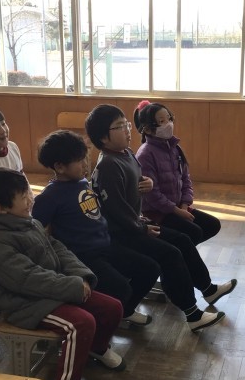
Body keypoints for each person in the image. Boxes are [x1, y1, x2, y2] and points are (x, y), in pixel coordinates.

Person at [0, 168, 125, 380]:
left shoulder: (29, 222)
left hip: (52, 292)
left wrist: (80, 275)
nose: (31, 199)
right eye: (23, 197)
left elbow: (58, 249)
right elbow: (27, 279)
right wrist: (73, 286)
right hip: (25, 304)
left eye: (29, 192)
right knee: (80, 324)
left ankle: (96, 349)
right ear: (1, 208)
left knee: (112, 308)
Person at [85, 104, 230, 332]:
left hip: (136, 224)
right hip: (123, 233)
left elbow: (139, 183)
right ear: (103, 137)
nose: (127, 130)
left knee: (181, 242)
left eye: (126, 124)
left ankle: (204, 291)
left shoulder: (126, 154)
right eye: (119, 127)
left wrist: (148, 184)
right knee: (170, 253)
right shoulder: (109, 165)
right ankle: (192, 313)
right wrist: (143, 227)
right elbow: (116, 210)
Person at [33, 129, 160, 326]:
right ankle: (103, 318)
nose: (86, 164)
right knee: (121, 288)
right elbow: (36, 229)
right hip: (84, 256)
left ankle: (124, 311)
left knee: (150, 269)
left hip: (105, 245)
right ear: (59, 166)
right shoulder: (49, 196)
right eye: (79, 160)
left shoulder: (82, 182)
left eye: (85, 158)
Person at [133, 100, 223, 247]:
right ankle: (180, 251)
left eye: (169, 119)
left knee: (212, 224)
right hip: (158, 212)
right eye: (162, 121)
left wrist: (184, 205)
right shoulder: (145, 154)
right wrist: (177, 211)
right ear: (148, 129)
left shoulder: (174, 147)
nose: (168, 124)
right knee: (194, 232)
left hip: (178, 207)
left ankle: (181, 250)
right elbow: (152, 195)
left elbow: (186, 179)